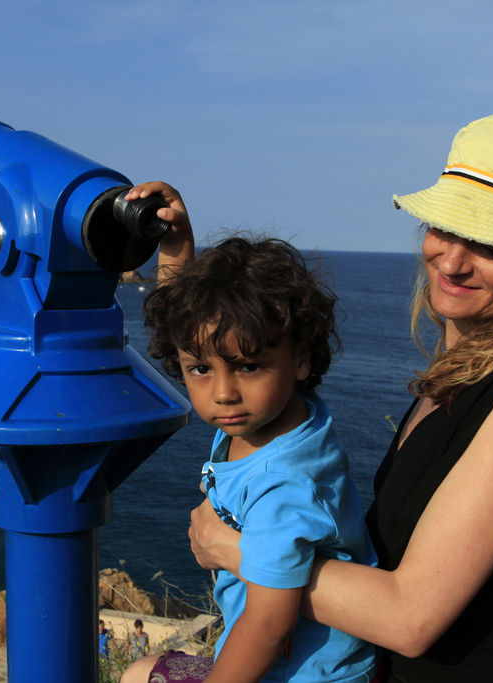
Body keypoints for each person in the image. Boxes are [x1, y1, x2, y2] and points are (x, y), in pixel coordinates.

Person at [133, 111, 493, 681]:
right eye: (448, 228)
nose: (454, 260)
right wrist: (177, 259)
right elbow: (206, 349)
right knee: (142, 672)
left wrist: (235, 549)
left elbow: (410, 618)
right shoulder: (468, 370)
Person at [121, 236, 378, 682]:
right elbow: (185, 328)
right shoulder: (276, 417)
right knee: (138, 673)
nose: (223, 393)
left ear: (300, 359)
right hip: (301, 662)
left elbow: (267, 625)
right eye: (200, 370)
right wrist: (176, 246)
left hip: (305, 674)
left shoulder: (285, 485)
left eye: (248, 367)